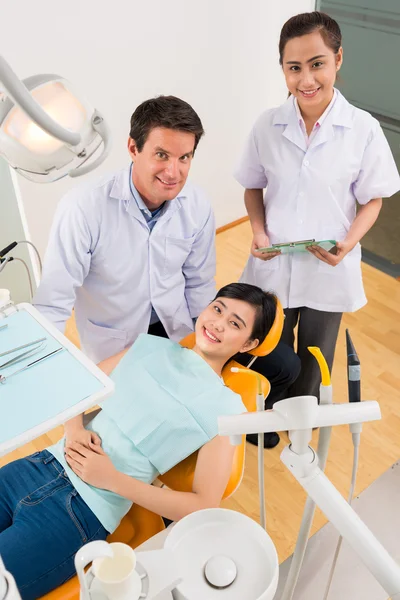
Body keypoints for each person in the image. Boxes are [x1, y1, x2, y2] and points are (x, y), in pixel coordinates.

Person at [33, 94, 300, 445]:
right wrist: (51, 390)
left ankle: (243, 424)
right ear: (133, 147)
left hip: (183, 328)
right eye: (161, 155)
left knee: (285, 365)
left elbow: (200, 283)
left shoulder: (196, 205)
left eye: (184, 157)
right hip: (122, 344)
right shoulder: (83, 209)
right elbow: (52, 303)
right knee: (153, 432)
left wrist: (210, 348)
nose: (173, 172)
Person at [0, 283, 276, 600]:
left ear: (249, 343)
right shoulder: (151, 347)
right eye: (217, 308)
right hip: (36, 467)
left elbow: (203, 505)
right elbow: (79, 383)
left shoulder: (228, 410)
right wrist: (74, 429)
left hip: (80, 512)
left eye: (235, 324)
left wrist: (113, 480)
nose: (217, 323)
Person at [235, 11, 400, 447]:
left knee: (315, 354)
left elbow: (373, 198)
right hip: (274, 262)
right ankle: (265, 418)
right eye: (294, 67)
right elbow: (253, 186)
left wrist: (348, 242)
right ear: (284, 69)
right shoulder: (266, 125)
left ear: (338, 59)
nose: (306, 79)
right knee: (268, 345)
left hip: (331, 265)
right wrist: (258, 231)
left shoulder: (362, 129)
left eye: (317, 64)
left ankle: (300, 421)